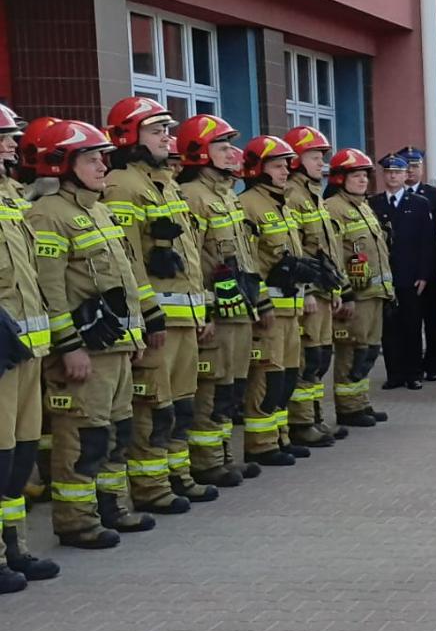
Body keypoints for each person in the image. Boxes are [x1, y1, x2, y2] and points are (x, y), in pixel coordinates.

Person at [28, 120, 160, 548]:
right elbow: (49, 289)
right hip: (85, 351)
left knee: (116, 432)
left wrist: (136, 334)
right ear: (64, 165)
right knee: (83, 436)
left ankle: (112, 508)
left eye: (102, 158)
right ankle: (76, 521)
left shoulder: (97, 208)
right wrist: (68, 348)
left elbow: (123, 277)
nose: (102, 166)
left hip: (115, 347)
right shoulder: (49, 215)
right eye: (91, 159)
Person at [101, 96, 212, 514]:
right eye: (155, 130)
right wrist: (146, 315)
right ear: (130, 136)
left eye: (167, 129)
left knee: (181, 403)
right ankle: (150, 488)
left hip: (184, 317)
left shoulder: (162, 182)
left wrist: (201, 310)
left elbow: (189, 256)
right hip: (157, 320)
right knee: (153, 407)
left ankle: (175, 475)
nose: (167, 136)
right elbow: (126, 260)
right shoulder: (122, 186)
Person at [175, 115, 256, 486]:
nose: (232, 154)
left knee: (231, 387)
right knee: (211, 387)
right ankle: (206, 461)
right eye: (222, 148)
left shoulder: (225, 194)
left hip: (237, 306)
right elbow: (191, 259)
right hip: (215, 312)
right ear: (199, 152)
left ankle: (223, 454)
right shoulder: (193, 196)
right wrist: (204, 309)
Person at [0, 104, 59, 588]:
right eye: (1, 138)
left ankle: (14, 547)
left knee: (19, 459)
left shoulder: (11, 196)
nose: (10, 145)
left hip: (27, 351)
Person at [238, 135, 312, 468]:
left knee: (286, 376)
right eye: (278, 166)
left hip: (291, 307)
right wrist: (261, 302)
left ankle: (280, 434)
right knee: (267, 377)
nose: (285, 172)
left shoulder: (280, 202)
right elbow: (250, 261)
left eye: (286, 166)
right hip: (271, 310)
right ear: (258, 169)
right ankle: (260, 443)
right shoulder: (249, 204)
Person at [282, 126, 345, 449]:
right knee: (307, 358)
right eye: (314, 157)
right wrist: (304, 290)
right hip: (308, 295)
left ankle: (315, 416)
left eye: (323, 157)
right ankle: (301, 421)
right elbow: (293, 252)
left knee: (320, 357)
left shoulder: (314, 195)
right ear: (296, 160)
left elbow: (326, 248)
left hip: (323, 292)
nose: (322, 162)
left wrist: (334, 290)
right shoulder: (293, 196)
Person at [322, 149, 393, 428]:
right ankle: (348, 407)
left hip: (374, 293)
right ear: (341, 178)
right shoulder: (333, 208)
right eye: (356, 175)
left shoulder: (363, 206)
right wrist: (344, 291)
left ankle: (361, 401)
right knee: (352, 350)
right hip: (356, 296)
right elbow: (333, 254)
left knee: (369, 350)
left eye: (365, 175)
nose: (363, 180)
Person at [372, 154, 436, 391]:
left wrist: (423, 274)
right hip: (384, 275)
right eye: (388, 172)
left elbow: (427, 242)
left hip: (411, 275)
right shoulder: (374, 204)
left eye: (397, 173)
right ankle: (394, 374)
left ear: (404, 175)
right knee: (389, 328)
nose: (393, 176)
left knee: (411, 325)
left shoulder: (419, 203)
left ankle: (414, 373)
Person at [397, 146, 436, 382]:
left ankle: (434, 364)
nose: (410, 172)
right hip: (404, 268)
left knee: (432, 318)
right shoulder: (392, 195)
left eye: (415, 166)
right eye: (406, 167)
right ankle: (409, 365)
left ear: (422, 168)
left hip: (431, 266)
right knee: (406, 321)